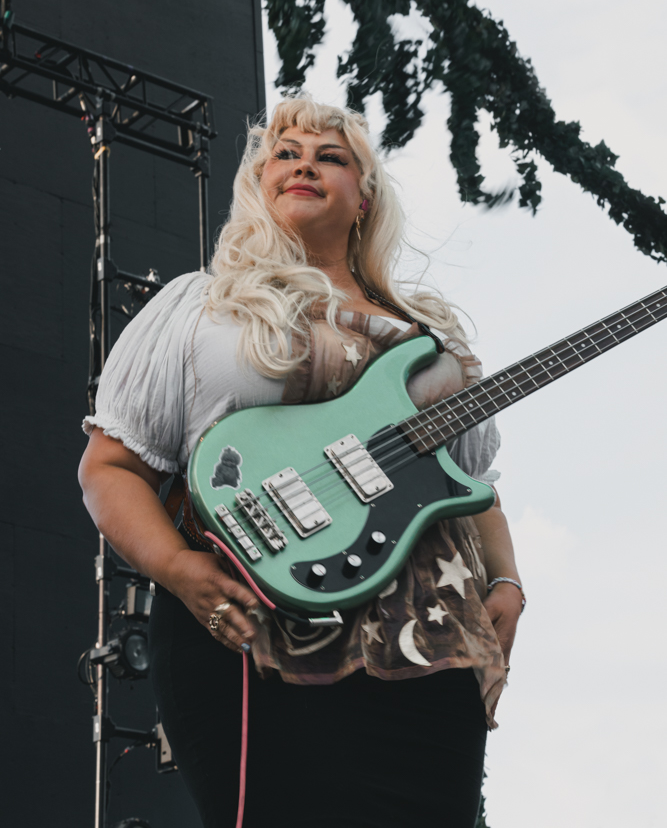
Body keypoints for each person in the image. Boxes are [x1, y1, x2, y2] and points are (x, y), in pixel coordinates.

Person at [79, 97, 523, 828]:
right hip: (255, 624)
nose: (304, 164)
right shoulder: (200, 307)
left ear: (364, 195)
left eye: (330, 155)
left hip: (428, 643)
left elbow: (475, 489)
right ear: (258, 184)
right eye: (284, 153)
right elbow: (111, 466)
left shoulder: (430, 342)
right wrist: (178, 568)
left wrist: (506, 582)